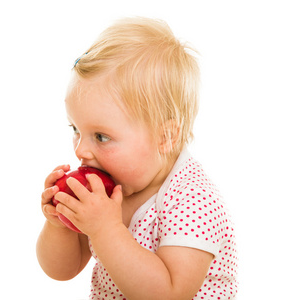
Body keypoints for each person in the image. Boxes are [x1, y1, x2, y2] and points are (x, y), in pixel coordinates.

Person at [36, 17, 238, 300]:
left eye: (101, 137)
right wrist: (60, 225)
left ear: (165, 137)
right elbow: (62, 271)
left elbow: (169, 294)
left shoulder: (193, 200)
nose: (81, 150)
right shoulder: (107, 195)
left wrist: (106, 230)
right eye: (76, 130)